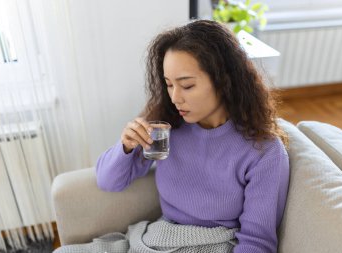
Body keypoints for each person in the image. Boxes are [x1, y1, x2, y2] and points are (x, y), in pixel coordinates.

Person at [96, 20, 289, 253]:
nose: (175, 97)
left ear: (224, 81)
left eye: (186, 86)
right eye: (169, 84)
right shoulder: (166, 125)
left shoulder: (264, 151)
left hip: (212, 246)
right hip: (160, 239)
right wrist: (125, 148)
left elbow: (257, 243)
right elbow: (108, 181)